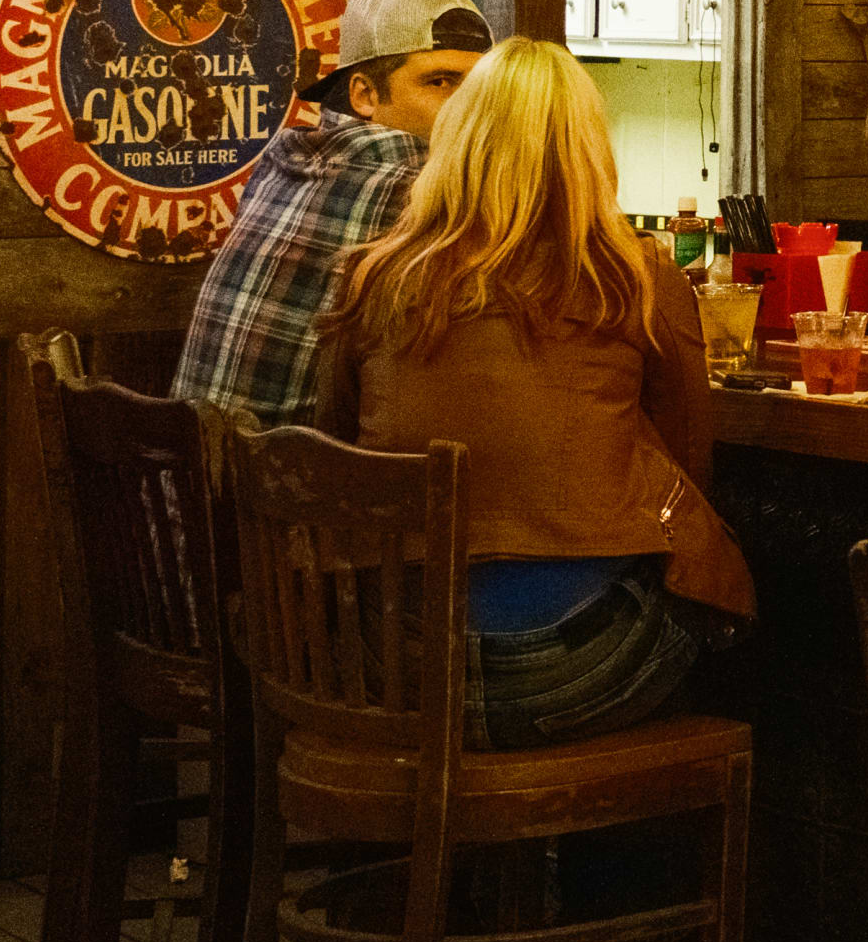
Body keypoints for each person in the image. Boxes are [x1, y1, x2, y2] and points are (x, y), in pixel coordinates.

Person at [320, 39, 751, 748]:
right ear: (588, 149)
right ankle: (616, 848)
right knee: (729, 636)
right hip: (582, 669)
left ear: (457, 142)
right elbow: (689, 464)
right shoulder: (637, 278)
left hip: (396, 662)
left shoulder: (374, 280)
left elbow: (337, 450)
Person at [172, 0, 488, 426]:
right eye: (440, 82)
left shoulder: (285, 159)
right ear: (364, 94)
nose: (468, 108)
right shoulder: (420, 185)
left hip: (191, 480)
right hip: (294, 484)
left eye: (479, 89)